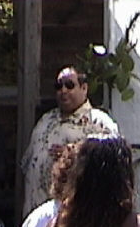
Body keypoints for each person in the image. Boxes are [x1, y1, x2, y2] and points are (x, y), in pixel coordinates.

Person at [20, 65, 118, 216]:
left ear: (84, 88)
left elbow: (111, 170)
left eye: (70, 85)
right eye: (59, 86)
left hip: (75, 218)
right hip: (37, 216)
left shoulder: (100, 124)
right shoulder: (46, 120)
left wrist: (76, 156)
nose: (63, 90)